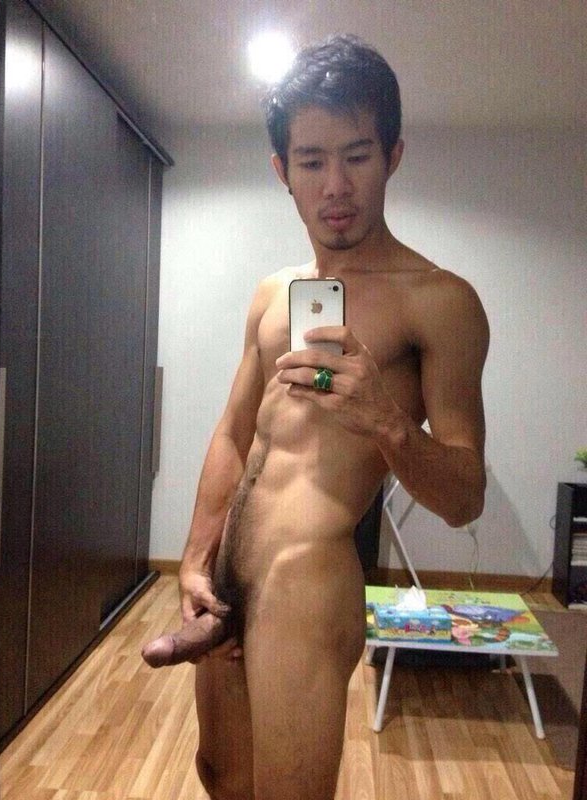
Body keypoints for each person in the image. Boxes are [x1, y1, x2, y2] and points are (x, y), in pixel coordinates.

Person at [144, 33, 489, 800]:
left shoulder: (440, 302)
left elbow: (466, 496)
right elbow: (234, 433)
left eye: (357, 156)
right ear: (283, 171)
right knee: (221, 777)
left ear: (393, 155)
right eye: (311, 161)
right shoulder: (275, 294)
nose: (336, 185)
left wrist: (387, 421)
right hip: (228, 577)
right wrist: (196, 561)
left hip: (306, 585)